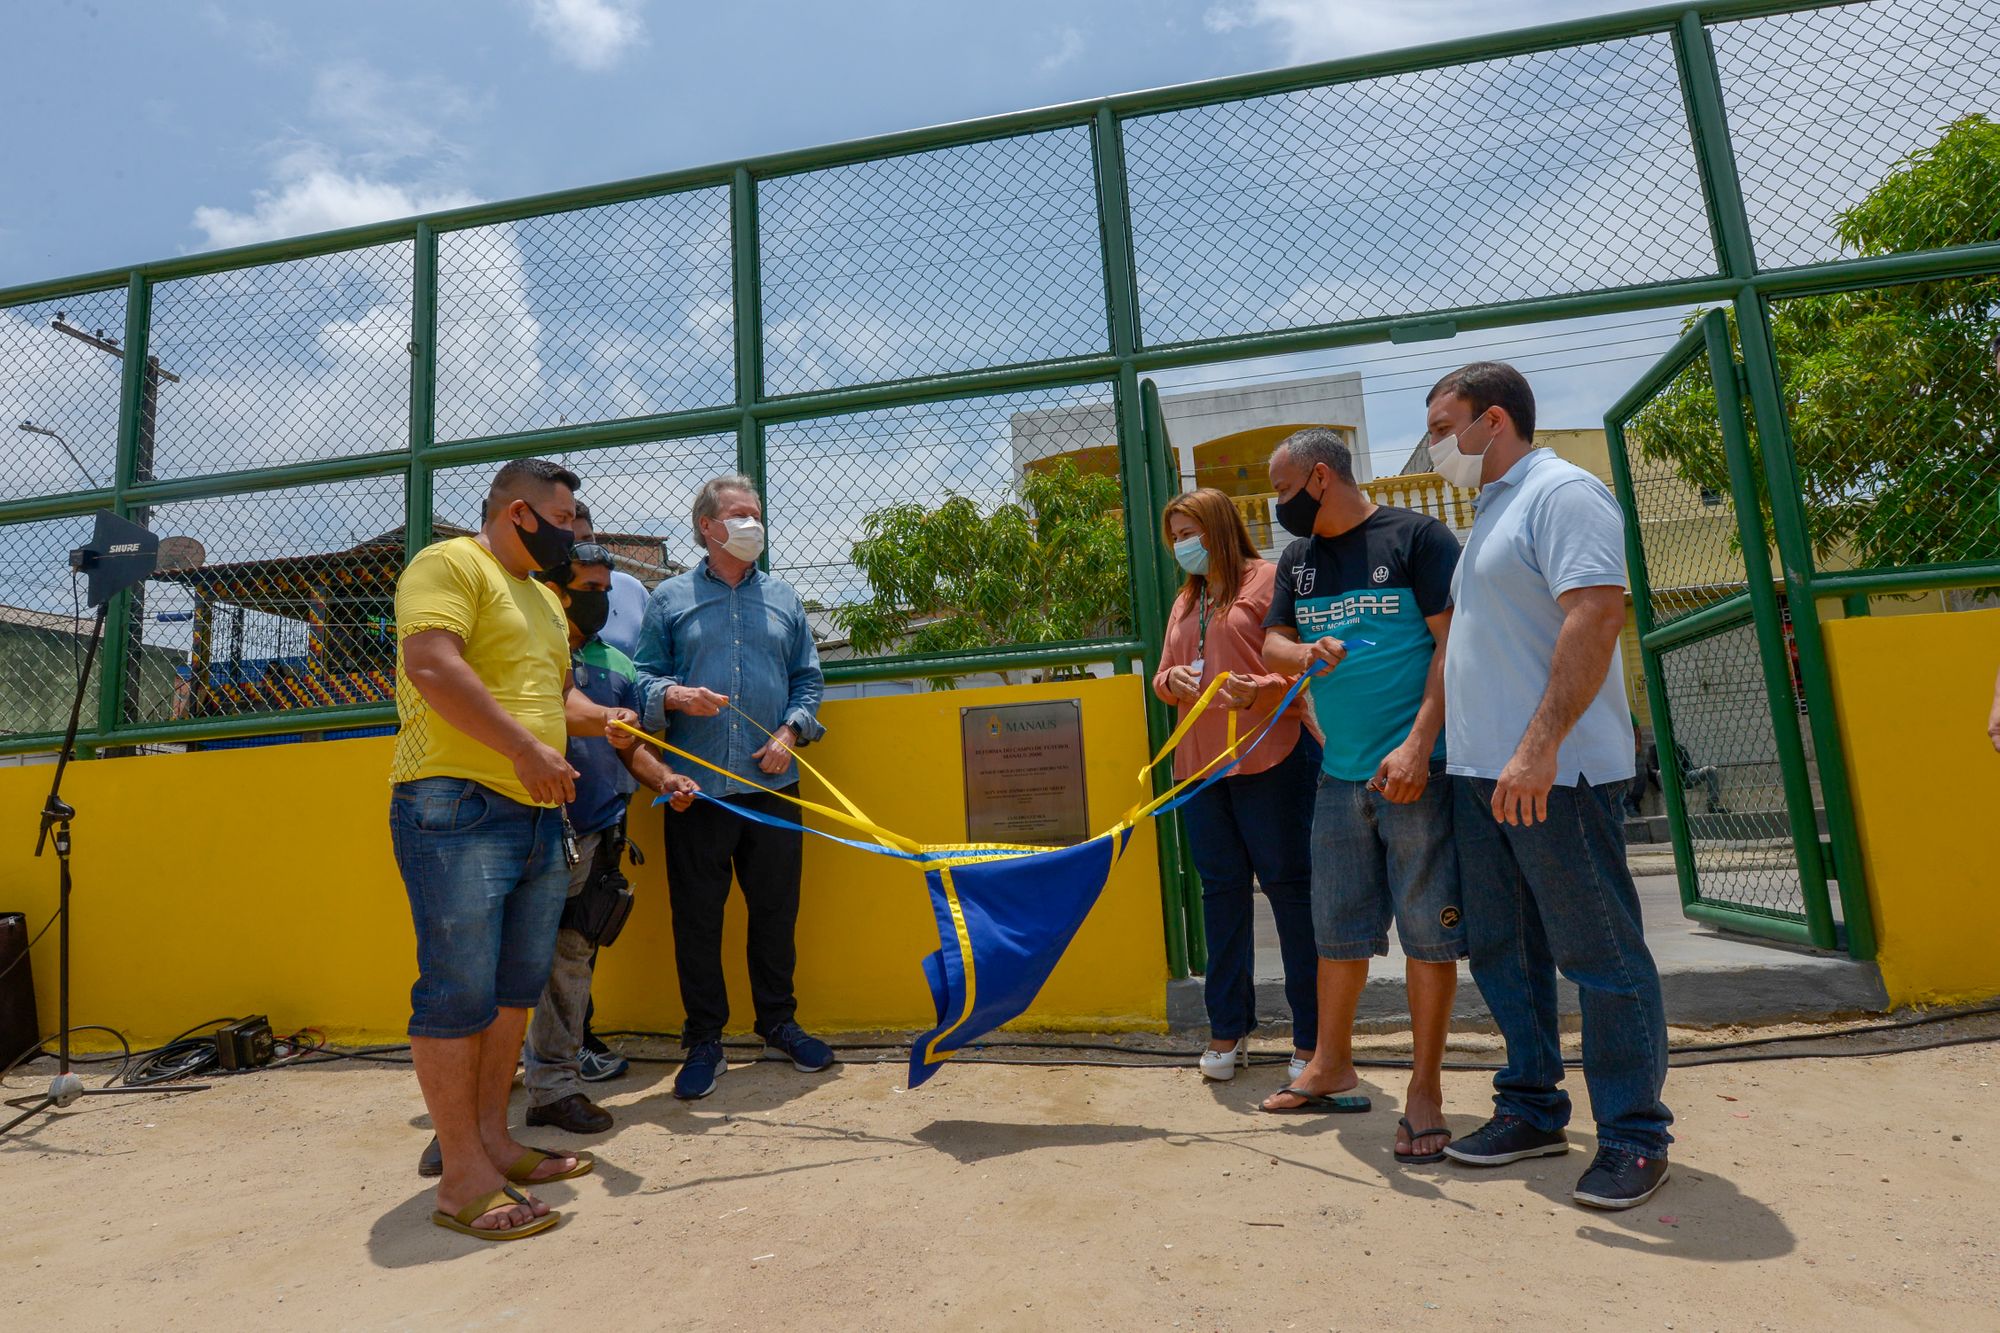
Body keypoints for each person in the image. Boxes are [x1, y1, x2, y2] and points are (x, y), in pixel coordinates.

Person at [1425, 361, 1674, 1210]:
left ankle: (1636, 1135)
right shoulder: (1490, 510)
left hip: (1553, 775)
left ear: (1493, 420)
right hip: (1480, 774)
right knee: (1505, 949)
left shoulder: (1562, 492)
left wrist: (1537, 749)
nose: (1435, 443)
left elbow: (1598, 612)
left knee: (1599, 955)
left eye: (1442, 423)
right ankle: (1532, 1107)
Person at [388, 457, 636, 1241]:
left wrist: (607, 722)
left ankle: (496, 1141)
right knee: (457, 991)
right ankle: (462, 1177)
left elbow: (555, 695)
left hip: (536, 813)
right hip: (455, 802)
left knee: (513, 989)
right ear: (522, 513)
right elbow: (432, 664)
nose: (576, 533)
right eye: (566, 519)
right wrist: (527, 749)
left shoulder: (539, 597)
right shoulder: (448, 563)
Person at [1260, 428, 1464, 1165]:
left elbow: (1453, 645)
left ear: (1320, 477)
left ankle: (1425, 1088)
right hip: (1338, 775)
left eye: (1282, 491)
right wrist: (1302, 652)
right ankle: (1330, 1063)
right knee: (1337, 929)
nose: (1277, 507)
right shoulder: (1298, 560)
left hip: (1417, 771)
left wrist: (1416, 746)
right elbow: (1272, 643)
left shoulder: (1416, 538)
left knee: (1425, 931)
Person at [634, 474, 833, 1100]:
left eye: (756, 514)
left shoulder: (784, 598)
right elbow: (640, 682)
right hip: (694, 792)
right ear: (708, 527)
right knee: (697, 920)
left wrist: (790, 735)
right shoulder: (668, 599)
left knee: (776, 914)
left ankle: (779, 1023)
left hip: (774, 788)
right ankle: (704, 1041)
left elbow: (809, 680)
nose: (753, 524)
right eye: (739, 515)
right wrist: (674, 695)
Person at [522, 542, 699, 1132]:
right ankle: (476, 1105)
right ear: (555, 589)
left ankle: (553, 1087)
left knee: (570, 962)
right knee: (502, 965)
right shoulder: (526, 652)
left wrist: (666, 779)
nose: (600, 600)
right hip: (521, 829)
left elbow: (632, 747)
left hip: (592, 835)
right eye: (588, 589)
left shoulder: (617, 664)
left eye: (606, 589)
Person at [1151, 488, 1322, 1084]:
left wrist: (1255, 686)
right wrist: (1170, 679)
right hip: (1201, 771)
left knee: (1289, 892)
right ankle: (1228, 1031)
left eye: (1189, 531)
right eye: (1174, 535)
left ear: (1220, 528)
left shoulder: (1268, 579)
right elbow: (1163, 675)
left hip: (1271, 756)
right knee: (1219, 897)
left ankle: (1312, 1040)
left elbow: (1299, 663)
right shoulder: (1185, 600)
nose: (1181, 546)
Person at [570, 501, 650, 659]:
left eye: (587, 539)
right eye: (571, 543)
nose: (582, 548)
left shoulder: (631, 589)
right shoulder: (540, 588)